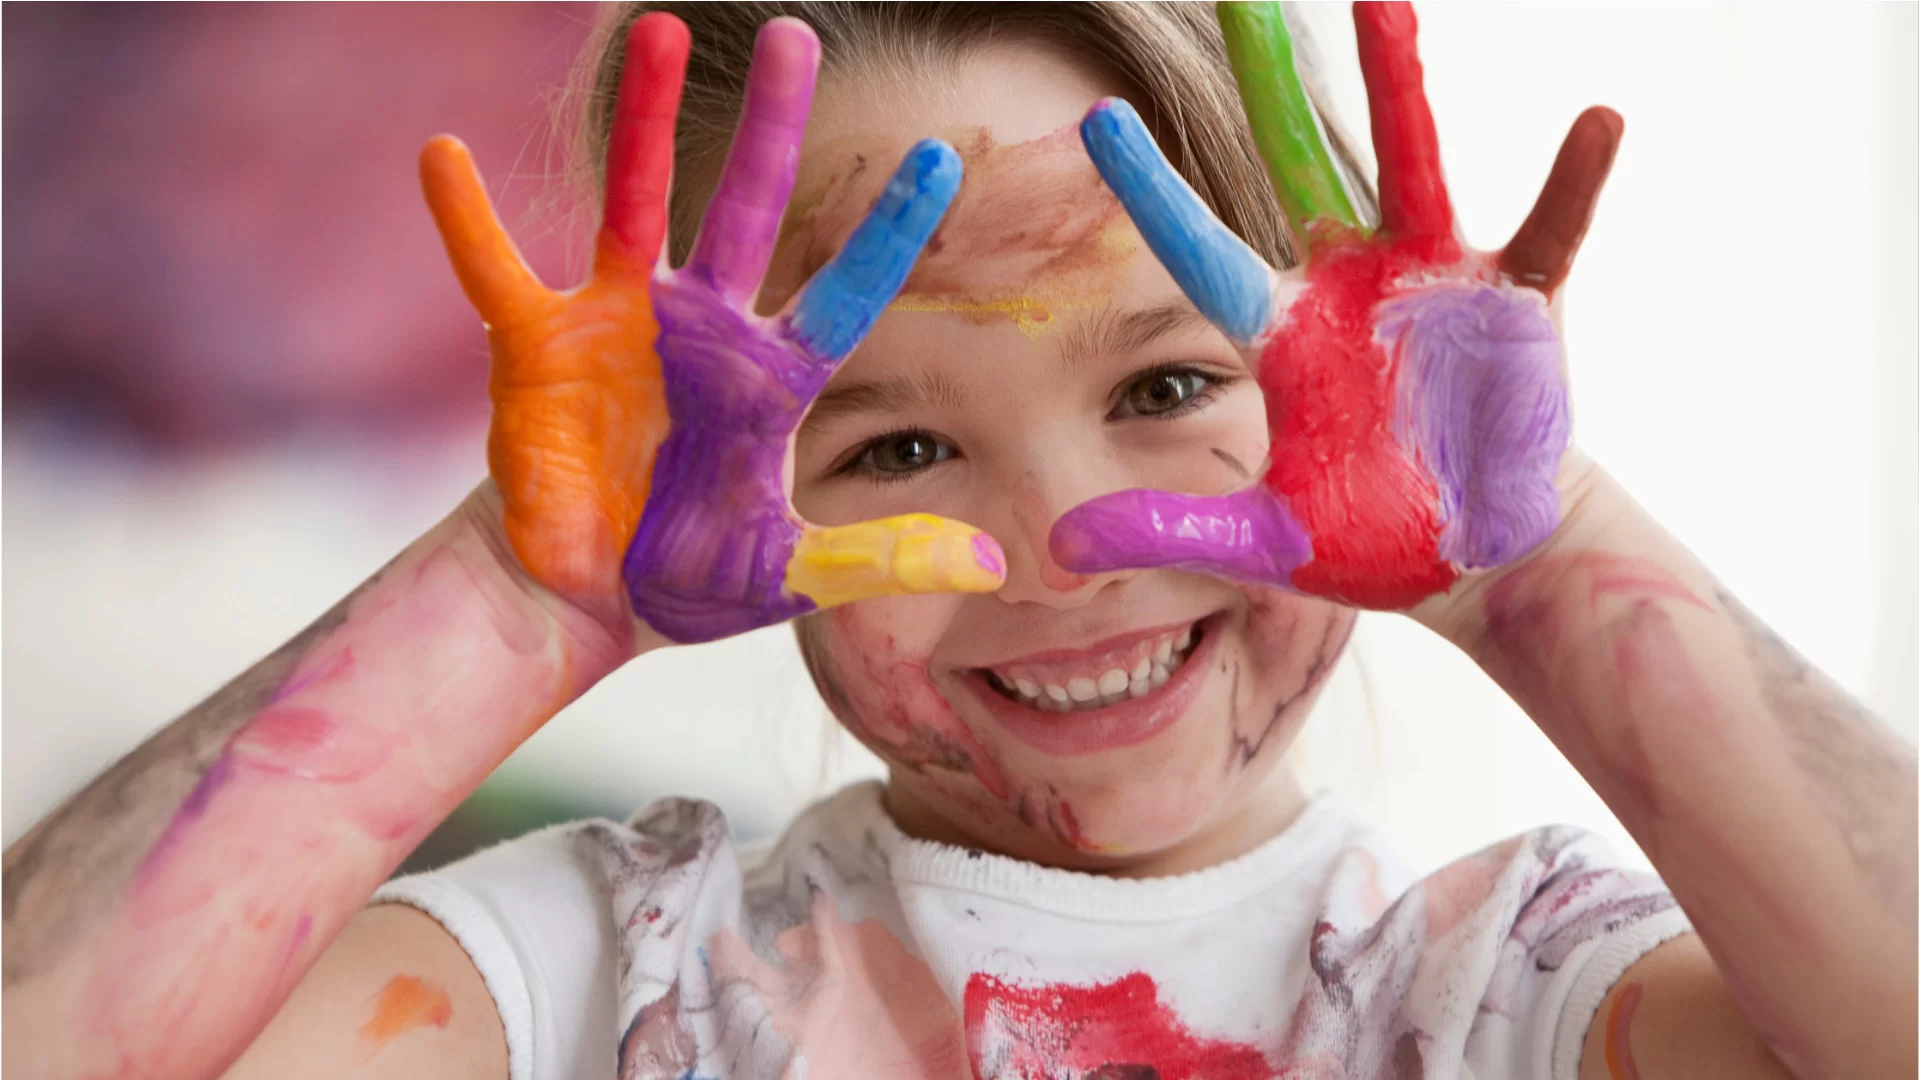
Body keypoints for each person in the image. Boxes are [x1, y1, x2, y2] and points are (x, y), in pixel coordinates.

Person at [4, 3, 1913, 1078]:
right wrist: (507, 595)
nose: (1062, 549)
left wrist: (1543, 563)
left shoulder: (1507, 992)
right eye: (900, 438)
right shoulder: (611, 975)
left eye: (1164, 387)